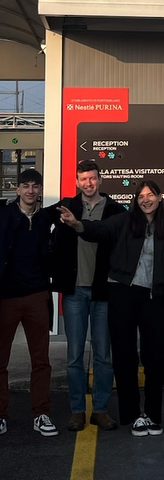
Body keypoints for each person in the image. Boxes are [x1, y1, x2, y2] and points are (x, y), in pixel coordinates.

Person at [58, 179, 164, 437]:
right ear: (136, 200)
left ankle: (153, 415)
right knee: (124, 357)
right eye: (141, 196)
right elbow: (98, 230)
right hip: (121, 292)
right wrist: (77, 224)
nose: (146, 199)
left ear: (159, 197)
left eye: (150, 195)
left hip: (153, 297)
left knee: (155, 357)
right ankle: (133, 416)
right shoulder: (124, 221)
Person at [51, 159, 124, 432]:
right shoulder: (66, 207)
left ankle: (101, 410)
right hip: (75, 290)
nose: (88, 183)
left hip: (103, 291)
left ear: (100, 179)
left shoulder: (116, 209)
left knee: (104, 355)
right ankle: (77, 410)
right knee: (74, 356)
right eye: (83, 179)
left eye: (93, 178)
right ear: (77, 181)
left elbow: (137, 228)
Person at [0, 169, 60, 436]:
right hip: (7, 297)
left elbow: (81, 204)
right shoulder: (4, 215)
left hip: (37, 295)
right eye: (26, 186)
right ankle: (0, 414)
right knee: (0, 360)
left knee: (41, 359)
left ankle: (41, 413)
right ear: (17, 189)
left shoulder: (47, 216)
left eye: (36, 186)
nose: (31, 191)